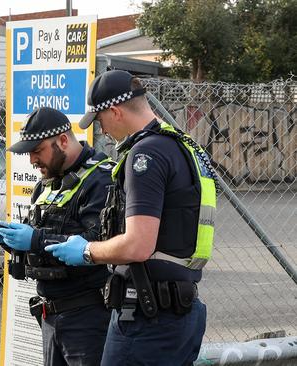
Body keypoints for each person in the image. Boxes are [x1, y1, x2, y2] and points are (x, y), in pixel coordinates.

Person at [45, 70, 217, 365]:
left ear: (115, 111)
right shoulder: (183, 146)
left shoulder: (145, 155)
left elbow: (138, 245)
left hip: (147, 319)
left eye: (100, 120)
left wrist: (86, 251)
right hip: (181, 314)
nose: (102, 129)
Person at [0, 107, 114, 365]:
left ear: (63, 141)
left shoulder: (100, 179)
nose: (32, 160)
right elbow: (38, 243)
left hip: (88, 317)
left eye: (37, 150)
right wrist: (9, 240)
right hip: (50, 315)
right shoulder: (46, 184)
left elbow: (97, 243)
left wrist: (37, 239)